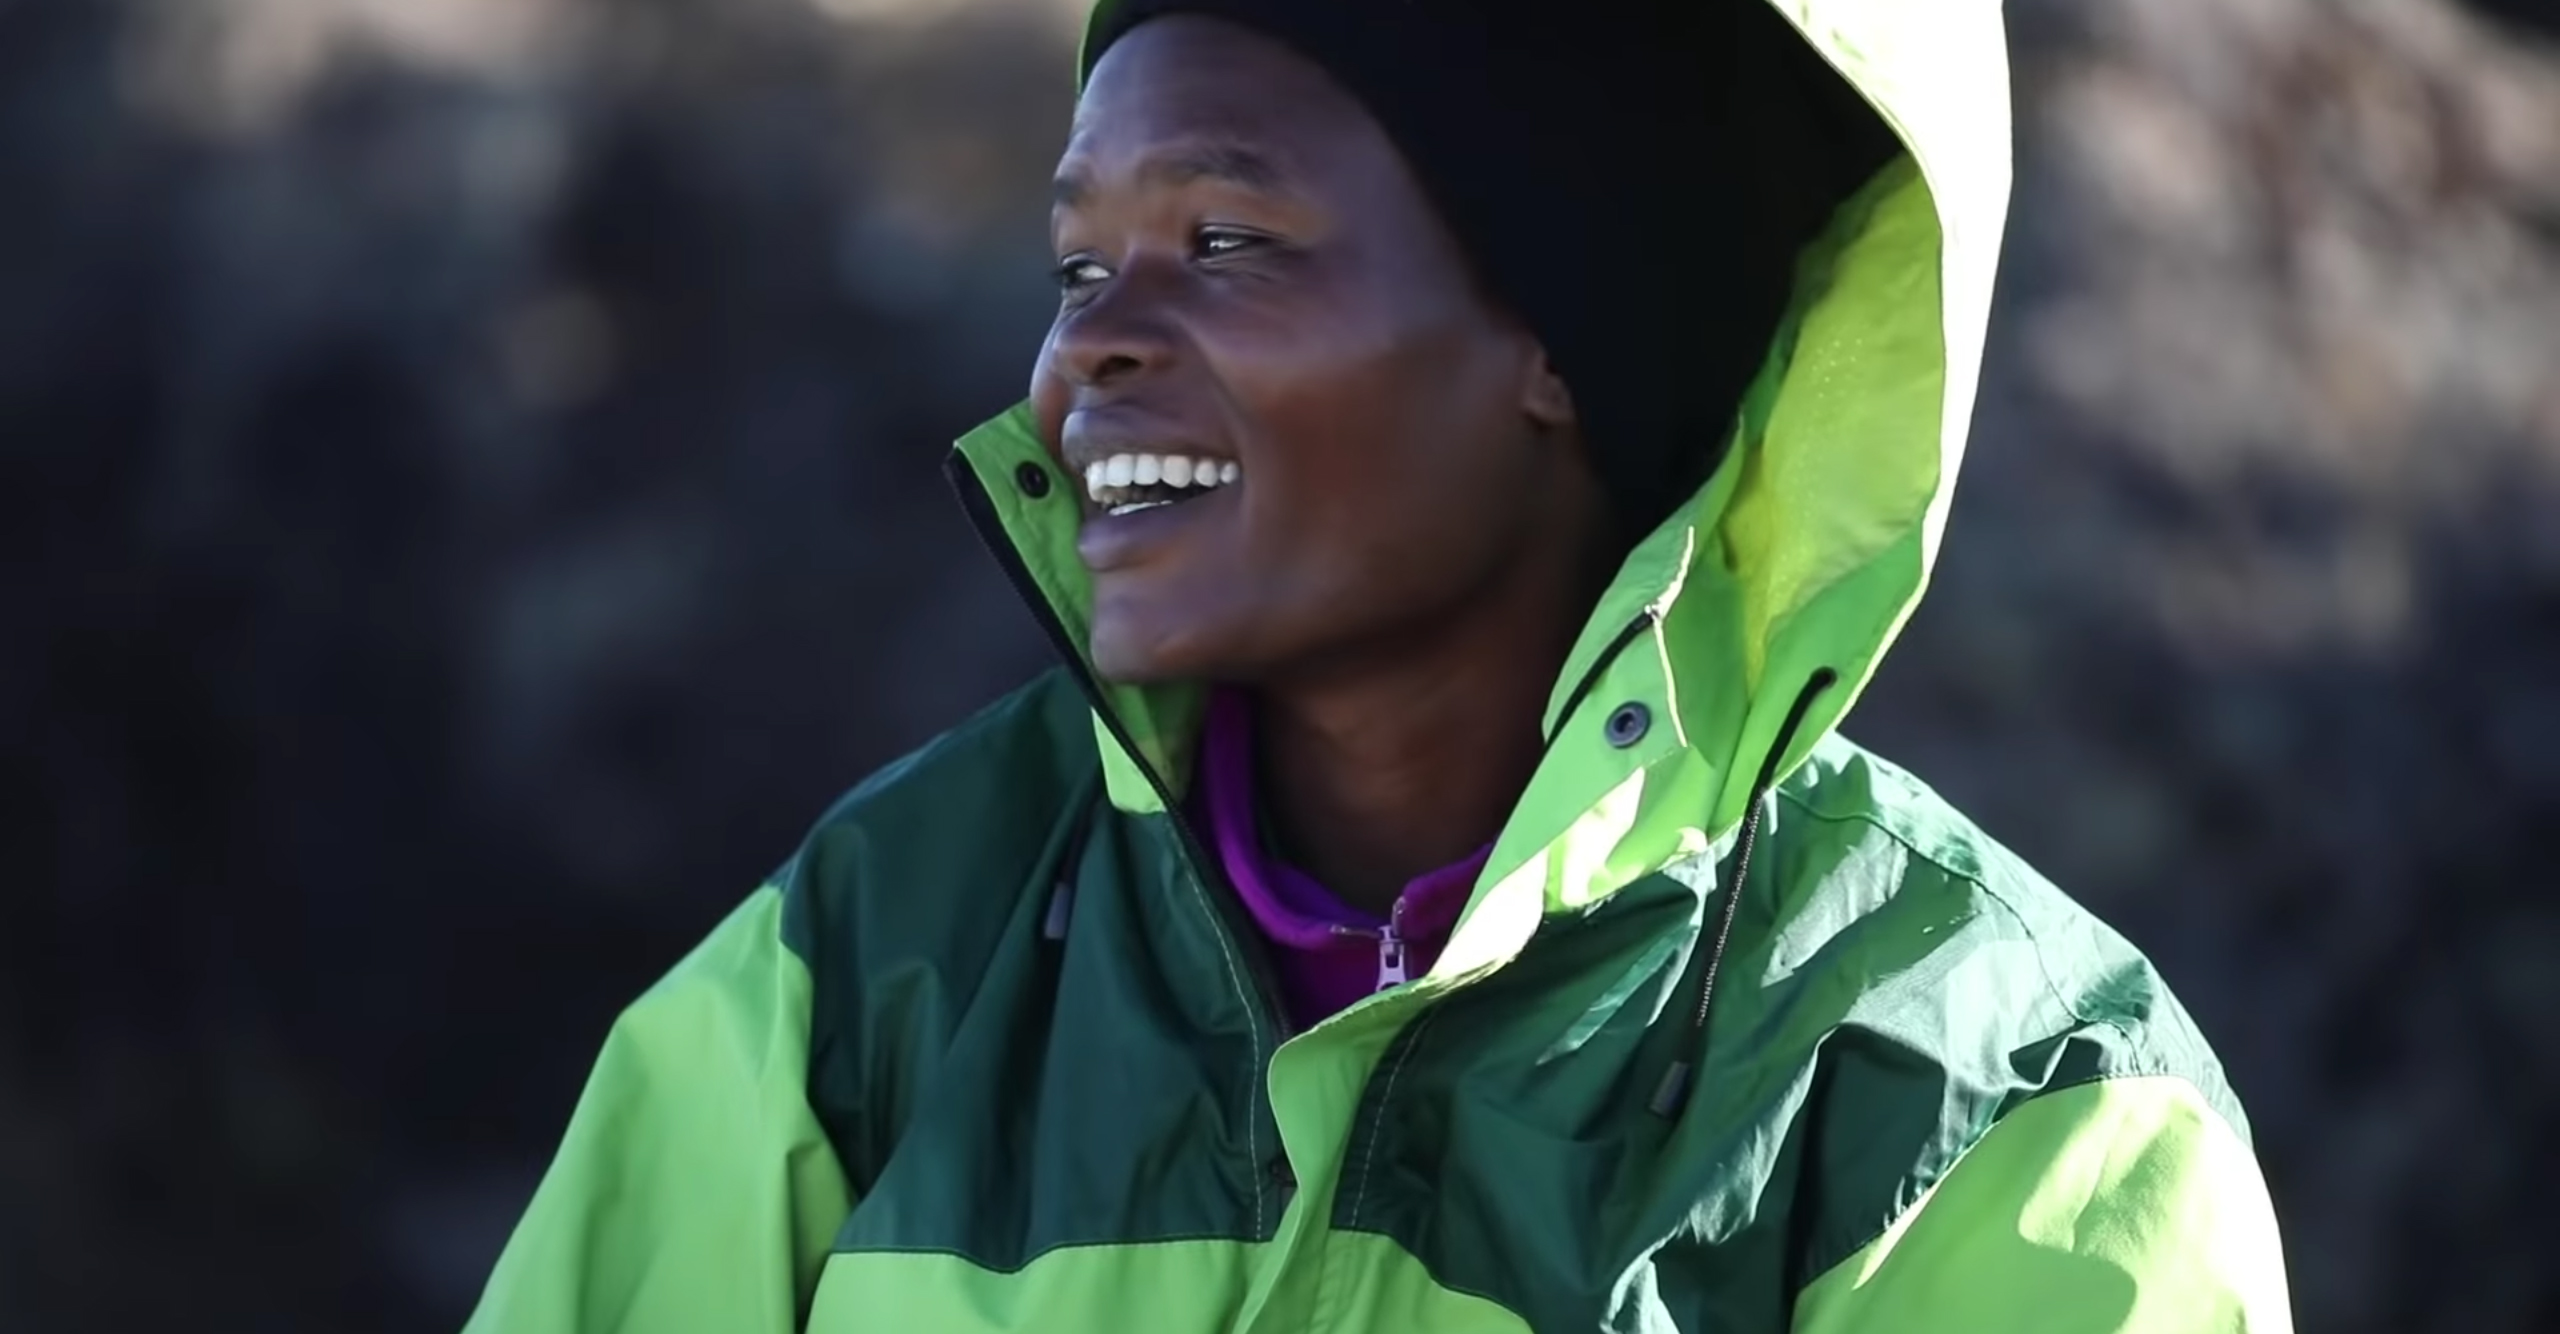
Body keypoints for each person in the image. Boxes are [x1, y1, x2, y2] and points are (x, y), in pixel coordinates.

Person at [465, 1, 2293, 1331]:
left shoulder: (2013, 1110)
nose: (1080, 359)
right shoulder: (867, 961)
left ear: (1557, 337)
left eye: (1227, 240)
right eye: (1077, 264)